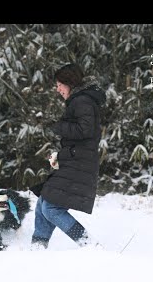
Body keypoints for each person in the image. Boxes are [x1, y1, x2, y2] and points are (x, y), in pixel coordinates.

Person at [30, 63, 106, 249]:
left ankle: (88, 245)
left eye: (59, 84)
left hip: (80, 163)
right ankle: (37, 249)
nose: (57, 89)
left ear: (69, 83)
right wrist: (61, 155)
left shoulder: (82, 101)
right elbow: (80, 138)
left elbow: (85, 130)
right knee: (44, 202)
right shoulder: (80, 100)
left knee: (51, 207)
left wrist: (58, 126)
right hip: (76, 160)